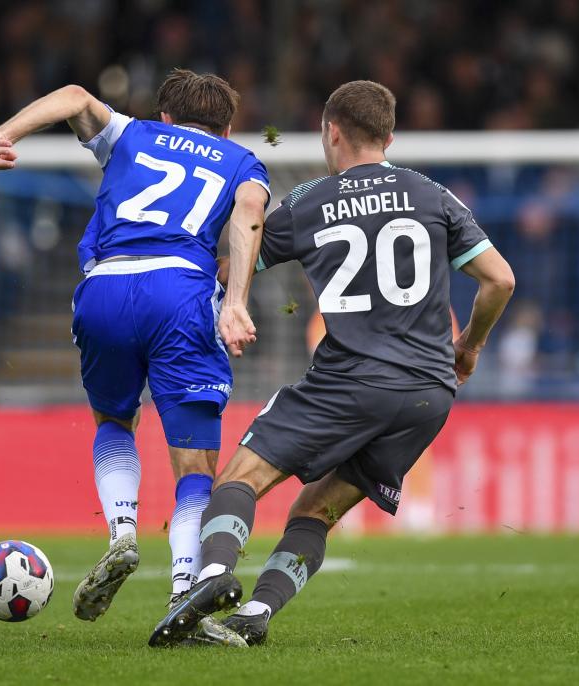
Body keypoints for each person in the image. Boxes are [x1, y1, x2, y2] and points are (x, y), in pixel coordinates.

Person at [150, 80, 515, 647]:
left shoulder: (311, 202)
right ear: (389, 138)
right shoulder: (433, 195)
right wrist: (468, 345)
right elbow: (500, 280)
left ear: (332, 131)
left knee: (239, 478)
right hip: (428, 394)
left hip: (351, 380)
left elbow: (237, 260)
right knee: (316, 511)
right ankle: (257, 614)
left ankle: (213, 575)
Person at [0, 69, 269, 645]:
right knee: (194, 465)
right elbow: (248, 216)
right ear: (227, 127)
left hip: (105, 288)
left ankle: (121, 531)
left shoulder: (132, 133)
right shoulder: (242, 161)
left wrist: (5, 133)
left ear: (166, 117)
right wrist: (237, 301)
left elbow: (72, 97)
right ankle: (184, 590)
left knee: (114, 420)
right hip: (179, 292)